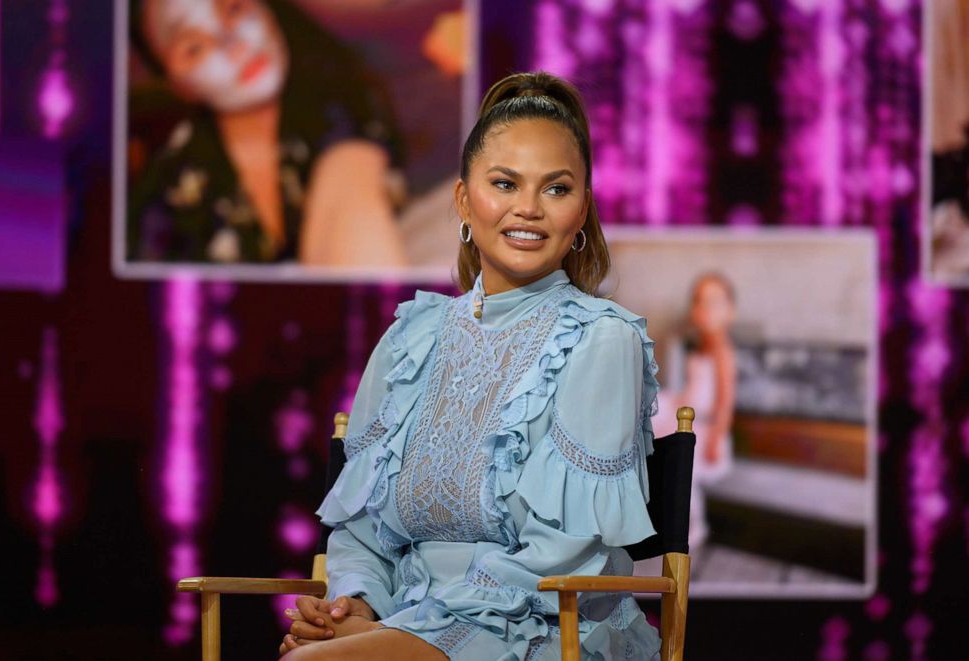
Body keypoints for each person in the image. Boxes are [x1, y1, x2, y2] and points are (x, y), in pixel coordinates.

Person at [279, 72, 662, 660]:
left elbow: (565, 553)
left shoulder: (603, 339)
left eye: (556, 189)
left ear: (583, 208)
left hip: (541, 628)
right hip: (403, 620)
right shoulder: (411, 337)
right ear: (463, 199)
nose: (528, 209)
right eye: (504, 183)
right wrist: (353, 605)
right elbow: (359, 529)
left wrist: (398, 632)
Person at [127, 0, 407, 266]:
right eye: (194, 47)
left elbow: (351, 192)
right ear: (177, 85)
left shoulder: (347, 99)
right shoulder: (169, 190)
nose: (233, 44)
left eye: (234, 9)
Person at [652, 273, 737, 548]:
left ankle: (690, 527)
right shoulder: (701, 345)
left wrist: (715, 438)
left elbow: (725, 401)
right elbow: (694, 387)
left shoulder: (723, 352)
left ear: (730, 311)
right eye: (700, 302)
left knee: (680, 468)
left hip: (706, 428)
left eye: (714, 302)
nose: (706, 309)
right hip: (686, 411)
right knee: (652, 411)